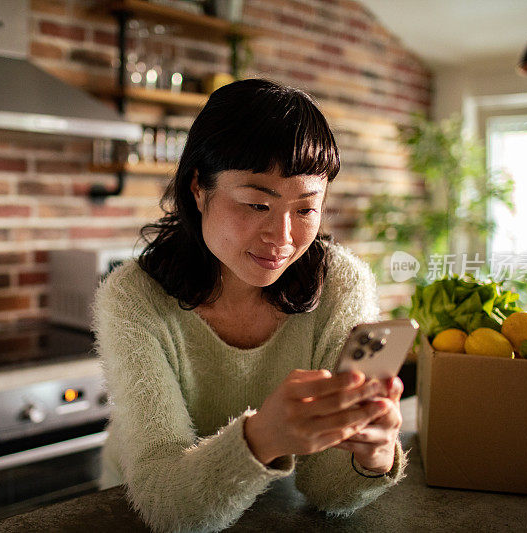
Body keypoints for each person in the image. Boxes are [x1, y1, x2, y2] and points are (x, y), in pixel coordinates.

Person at [92, 78, 407, 533]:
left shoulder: (341, 283)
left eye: (305, 210)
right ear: (199, 188)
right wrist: (263, 437)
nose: (282, 239)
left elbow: (330, 492)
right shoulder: (133, 297)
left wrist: (373, 455)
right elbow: (166, 504)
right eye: (258, 204)